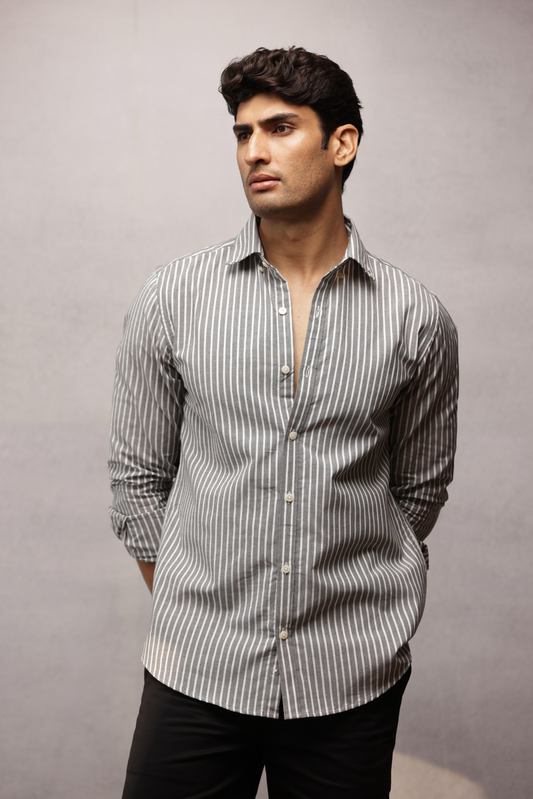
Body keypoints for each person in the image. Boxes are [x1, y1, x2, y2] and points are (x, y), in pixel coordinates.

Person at [109, 46, 458, 799]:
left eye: (280, 128)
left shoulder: (416, 319)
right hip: (197, 670)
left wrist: (352, 600)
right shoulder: (173, 297)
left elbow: (419, 491)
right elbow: (138, 481)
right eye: (242, 133)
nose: (254, 151)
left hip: (349, 676)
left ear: (342, 143)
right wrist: (201, 602)